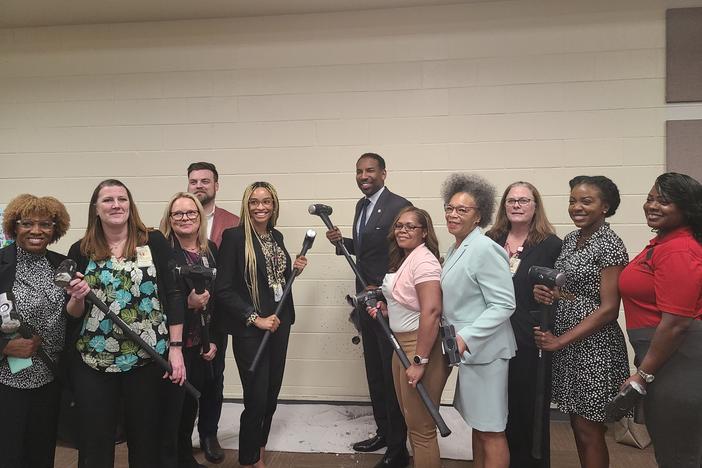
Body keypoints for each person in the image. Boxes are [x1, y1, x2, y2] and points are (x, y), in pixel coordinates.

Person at [63, 179, 186, 468]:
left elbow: (175, 294)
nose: (116, 205)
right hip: (93, 360)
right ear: (96, 208)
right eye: (108, 200)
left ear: (131, 205)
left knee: (146, 441)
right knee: (95, 442)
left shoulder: (152, 241)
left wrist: (176, 348)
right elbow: (71, 313)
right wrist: (77, 298)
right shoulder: (80, 250)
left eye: (122, 199)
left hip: (146, 358)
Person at [533, 175, 629, 468]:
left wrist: (560, 340)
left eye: (586, 201)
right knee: (577, 425)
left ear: (605, 206)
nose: (577, 207)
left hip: (594, 348)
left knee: (590, 429)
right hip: (568, 347)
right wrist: (549, 292)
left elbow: (609, 308)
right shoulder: (573, 239)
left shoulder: (609, 244)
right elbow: (573, 289)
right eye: (573, 200)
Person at [325, 153, 411, 468]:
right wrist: (342, 242)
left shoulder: (399, 206)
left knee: (391, 378)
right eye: (359, 171)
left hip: (386, 305)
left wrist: (389, 295)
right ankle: (384, 432)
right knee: (374, 372)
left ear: (384, 173)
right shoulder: (362, 206)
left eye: (370, 170)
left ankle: (398, 449)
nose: (364, 175)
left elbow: (406, 254)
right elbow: (368, 251)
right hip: (365, 303)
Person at [215, 181, 307, 468]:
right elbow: (224, 288)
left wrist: (295, 271)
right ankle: (249, 459)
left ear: (274, 205)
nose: (260, 207)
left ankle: (260, 451)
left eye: (266, 201)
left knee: (271, 395)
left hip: (280, 323)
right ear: (246, 205)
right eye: (254, 202)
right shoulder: (233, 238)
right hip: (251, 330)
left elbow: (273, 282)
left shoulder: (276, 236)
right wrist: (255, 319)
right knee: (255, 398)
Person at [618, 172, 702, 468]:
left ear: (687, 208)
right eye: (651, 198)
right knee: (671, 450)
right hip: (665, 357)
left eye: (664, 201)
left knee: (681, 454)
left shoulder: (679, 249)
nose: (652, 205)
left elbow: (677, 322)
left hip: (679, 361)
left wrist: (643, 375)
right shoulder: (663, 244)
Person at [440, 173, 516, 468]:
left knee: (491, 430)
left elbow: (504, 304)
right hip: (469, 354)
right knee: (478, 424)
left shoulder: (485, 249)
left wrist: (465, 337)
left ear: (478, 216)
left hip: (486, 352)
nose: (453, 214)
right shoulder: (456, 247)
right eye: (449, 208)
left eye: (462, 210)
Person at [486, 182, 561, 468]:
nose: (516, 205)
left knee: (528, 405)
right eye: (511, 200)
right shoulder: (490, 239)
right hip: (492, 334)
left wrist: (552, 296)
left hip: (529, 337)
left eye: (524, 200)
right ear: (504, 206)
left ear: (535, 206)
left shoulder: (550, 244)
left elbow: (563, 291)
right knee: (498, 406)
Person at [368, 207, 449, 468]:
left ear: (424, 232)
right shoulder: (406, 258)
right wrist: (386, 309)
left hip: (418, 346)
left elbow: (432, 310)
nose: (403, 230)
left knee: (422, 428)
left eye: (410, 226)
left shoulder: (424, 261)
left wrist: (420, 360)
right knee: (411, 421)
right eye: (399, 225)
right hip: (400, 343)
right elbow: (410, 303)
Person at [0, 194, 70, 468]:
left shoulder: (62, 264)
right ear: (14, 226)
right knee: (8, 455)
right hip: (6, 380)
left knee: (41, 455)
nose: (37, 231)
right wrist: (4, 347)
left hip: (49, 377)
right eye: (27, 223)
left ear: (56, 229)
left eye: (46, 224)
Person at [159, 192, 219, 468]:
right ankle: (172, 459)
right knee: (171, 410)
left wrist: (214, 341)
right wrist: (187, 303)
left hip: (199, 343)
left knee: (190, 407)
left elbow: (218, 301)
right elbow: (155, 300)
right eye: (178, 214)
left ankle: (184, 457)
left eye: (190, 213)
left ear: (200, 216)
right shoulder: (161, 253)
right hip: (171, 346)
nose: (185, 218)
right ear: (169, 220)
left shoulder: (210, 253)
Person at [187, 161, 239, 463]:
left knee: (212, 377)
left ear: (216, 185)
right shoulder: (175, 219)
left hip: (217, 316)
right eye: (194, 181)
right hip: (182, 316)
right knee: (182, 376)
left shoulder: (233, 223)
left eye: (205, 181)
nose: (199, 186)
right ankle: (180, 436)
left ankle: (208, 433)